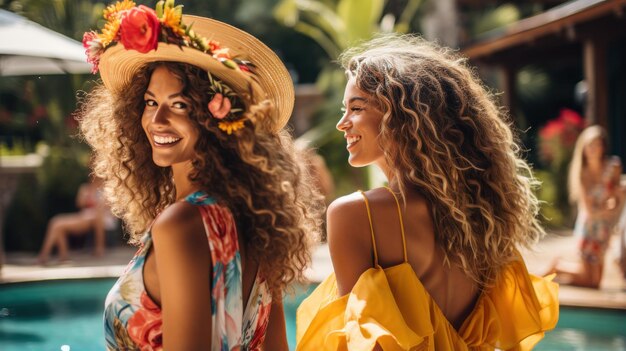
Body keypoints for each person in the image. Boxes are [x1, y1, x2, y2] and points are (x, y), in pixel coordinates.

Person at [78, 1, 323, 349]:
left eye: (179, 105)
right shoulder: (256, 223)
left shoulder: (181, 224)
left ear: (217, 118)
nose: (157, 120)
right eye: (150, 102)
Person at [296, 34, 559, 350]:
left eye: (356, 107)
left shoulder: (355, 214)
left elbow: (362, 343)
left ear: (399, 115)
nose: (342, 123)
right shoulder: (480, 215)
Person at [550, 126, 625, 288]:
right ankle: (558, 267)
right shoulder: (582, 172)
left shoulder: (614, 166)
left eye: (598, 144)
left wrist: (615, 202)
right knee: (590, 281)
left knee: (594, 282)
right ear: (583, 148)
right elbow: (589, 211)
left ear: (603, 147)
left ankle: (558, 271)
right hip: (588, 229)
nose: (594, 149)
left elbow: (619, 195)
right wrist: (609, 208)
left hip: (604, 229)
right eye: (590, 145)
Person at [37, 176, 116, 265]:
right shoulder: (85, 188)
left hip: (98, 218)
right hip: (84, 216)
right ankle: (62, 256)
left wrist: (95, 201)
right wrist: (88, 195)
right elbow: (80, 204)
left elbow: (104, 208)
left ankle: (44, 256)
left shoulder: (106, 190)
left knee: (96, 216)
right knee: (56, 222)